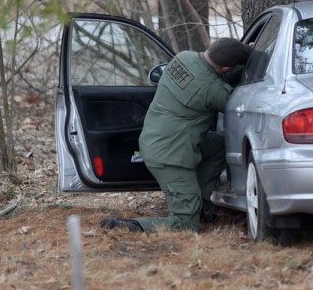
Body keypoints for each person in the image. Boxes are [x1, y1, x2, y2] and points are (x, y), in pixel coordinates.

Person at [100, 37, 251, 233]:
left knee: (223, 146)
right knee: (186, 224)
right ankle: (133, 227)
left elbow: (213, 78)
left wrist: (243, 53)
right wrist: (251, 58)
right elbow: (238, 103)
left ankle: (202, 204)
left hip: (159, 140)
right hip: (171, 156)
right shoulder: (210, 90)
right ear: (225, 69)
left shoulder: (183, 58)